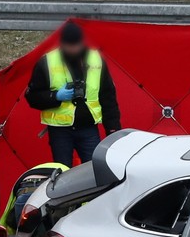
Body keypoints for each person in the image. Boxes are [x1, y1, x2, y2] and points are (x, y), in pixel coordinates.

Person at [25, 19, 120, 165]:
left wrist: (113, 129)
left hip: (88, 128)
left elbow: (108, 97)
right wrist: (55, 96)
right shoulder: (47, 62)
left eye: (76, 45)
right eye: (69, 46)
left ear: (82, 42)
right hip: (60, 131)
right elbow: (32, 97)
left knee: (95, 169)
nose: (73, 50)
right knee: (62, 172)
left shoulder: (96, 60)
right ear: (62, 44)